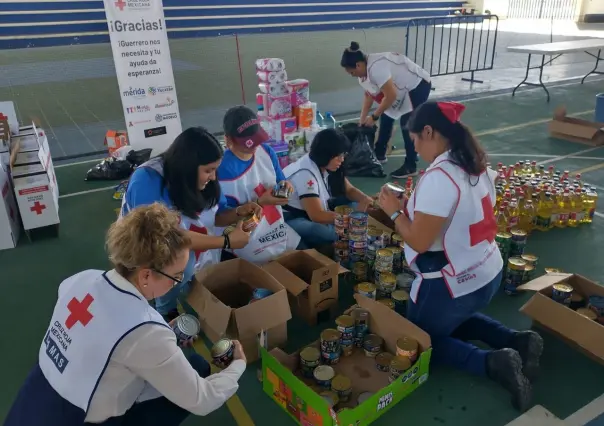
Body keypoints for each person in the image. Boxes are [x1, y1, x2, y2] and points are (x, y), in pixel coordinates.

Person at [5, 203, 247, 426]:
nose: (178, 283)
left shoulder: (79, 280)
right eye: (177, 276)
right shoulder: (146, 331)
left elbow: (103, 334)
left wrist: (159, 337)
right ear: (145, 275)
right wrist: (237, 365)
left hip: (32, 402)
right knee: (197, 369)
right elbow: (203, 400)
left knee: (191, 365)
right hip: (76, 420)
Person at [378, 101, 543, 412]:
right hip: (487, 271)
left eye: (414, 140)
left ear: (428, 131)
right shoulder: (474, 164)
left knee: (420, 341)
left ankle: (493, 362)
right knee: (451, 318)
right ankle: (519, 340)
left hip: (453, 283)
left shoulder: (439, 177)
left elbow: (420, 241)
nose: (414, 148)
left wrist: (395, 211)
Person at [121, 127, 261, 321]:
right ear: (188, 166)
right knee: (182, 262)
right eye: (208, 170)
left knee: (189, 262)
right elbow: (169, 237)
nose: (213, 177)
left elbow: (214, 216)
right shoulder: (147, 181)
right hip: (145, 245)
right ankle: (165, 309)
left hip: (179, 240)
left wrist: (238, 212)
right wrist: (227, 241)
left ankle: (180, 285)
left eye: (215, 170)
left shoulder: (201, 180)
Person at [218, 105, 301, 263]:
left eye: (257, 140)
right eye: (247, 144)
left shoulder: (266, 151)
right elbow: (219, 219)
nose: (255, 147)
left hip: (275, 228)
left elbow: (281, 180)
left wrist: (286, 186)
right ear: (228, 140)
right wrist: (260, 202)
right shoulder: (220, 169)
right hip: (244, 241)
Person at [340, 41, 432, 179]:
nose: (352, 75)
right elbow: (369, 95)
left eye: (352, 72)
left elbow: (391, 95)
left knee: (407, 123)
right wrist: (362, 120)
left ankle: (411, 165)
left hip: (417, 85)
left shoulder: (377, 67)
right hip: (400, 89)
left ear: (358, 65)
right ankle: (380, 153)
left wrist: (374, 117)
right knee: (387, 116)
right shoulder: (363, 75)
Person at [283, 128, 374, 248]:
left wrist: (365, 199)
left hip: (313, 211)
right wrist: (353, 218)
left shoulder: (326, 164)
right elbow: (316, 215)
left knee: (354, 204)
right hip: (291, 218)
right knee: (322, 231)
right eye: (338, 156)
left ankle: (343, 229)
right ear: (326, 154)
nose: (342, 159)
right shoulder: (305, 174)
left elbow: (349, 190)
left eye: (343, 155)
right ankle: (342, 233)